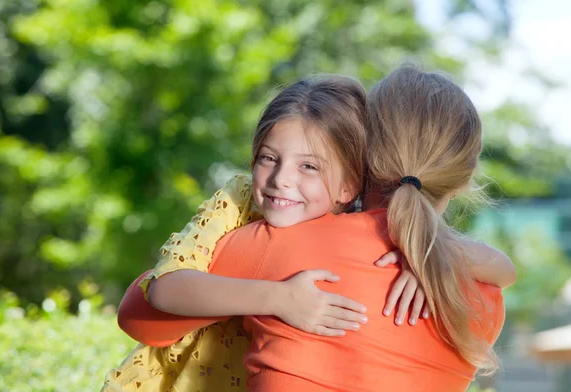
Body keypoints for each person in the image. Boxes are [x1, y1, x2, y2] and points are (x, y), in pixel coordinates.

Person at [110, 64, 516, 391]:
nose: (283, 178)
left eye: (308, 165)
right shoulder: (483, 295)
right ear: (463, 180)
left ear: (362, 158)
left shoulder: (280, 243)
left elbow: (140, 316)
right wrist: (435, 255)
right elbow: (505, 269)